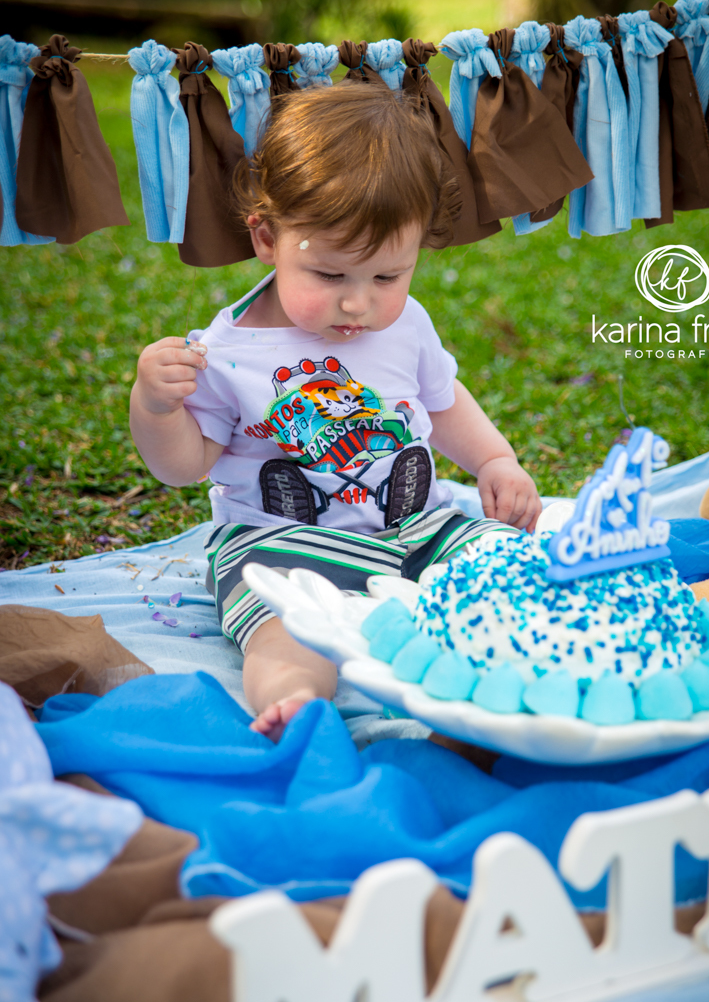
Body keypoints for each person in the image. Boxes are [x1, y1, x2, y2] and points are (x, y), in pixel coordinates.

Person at [131, 82, 541, 739]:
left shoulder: (405, 325)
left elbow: (441, 402)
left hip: (416, 531)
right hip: (283, 545)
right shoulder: (228, 354)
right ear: (267, 237)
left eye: (387, 277)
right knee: (285, 627)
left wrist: (495, 460)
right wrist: (155, 406)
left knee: (513, 566)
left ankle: (513, 667)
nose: (358, 303)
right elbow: (182, 467)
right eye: (329, 276)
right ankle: (296, 703)